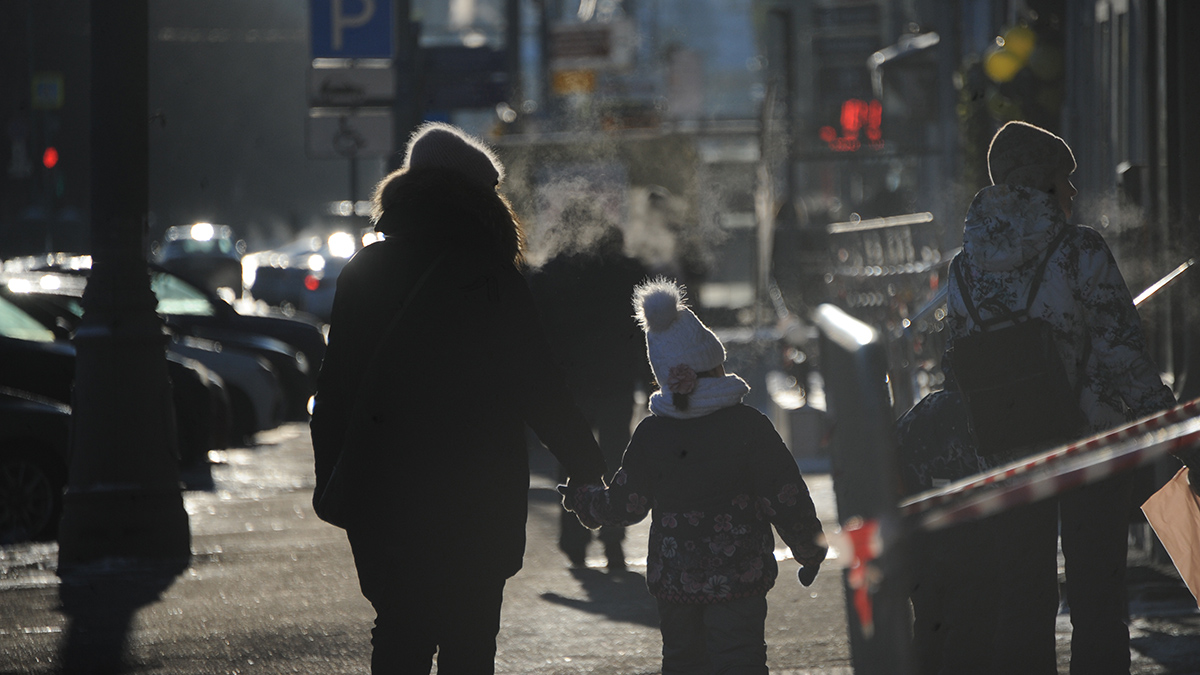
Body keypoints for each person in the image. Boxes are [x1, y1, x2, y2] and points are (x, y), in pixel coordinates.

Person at [309, 122, 607, 674]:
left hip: (385, 490)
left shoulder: (366, 270)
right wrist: (587, 466)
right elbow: (539, 384)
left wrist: (336, 485)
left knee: (399, 629)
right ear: (475, 198)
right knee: (470, 638)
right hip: (476, 490)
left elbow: (334, 392)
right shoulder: (490, 277)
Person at [944, 120, 1177, 674]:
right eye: (1064, 180)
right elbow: (1120, 350)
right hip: (1089, 448)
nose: (1073, 192)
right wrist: (1168, 423)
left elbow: (957, 364)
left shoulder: (963, 267)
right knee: (1098, 597)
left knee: (1022, 598)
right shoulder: (1080, 251)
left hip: (1006, 451)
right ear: (1043, 183)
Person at [560, 278, 828, 674]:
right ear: (715, 364)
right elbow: (784, 494)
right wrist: (808, 548)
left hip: (675, 583)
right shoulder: (747, 426)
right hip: (741, 578)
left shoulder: (653, 434)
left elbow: (626, 504)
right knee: (741, 659)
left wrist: (585, 501)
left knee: (683, 661)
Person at [528, 203, 650, 571]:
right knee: (616, 460)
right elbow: (639, 333)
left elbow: (538, 335)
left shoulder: (551, 275)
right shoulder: (628, 272)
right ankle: (613, 539)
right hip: (616, 383)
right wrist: (649, 380)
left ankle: (575, 539)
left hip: (570, 387)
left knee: (573, 459)